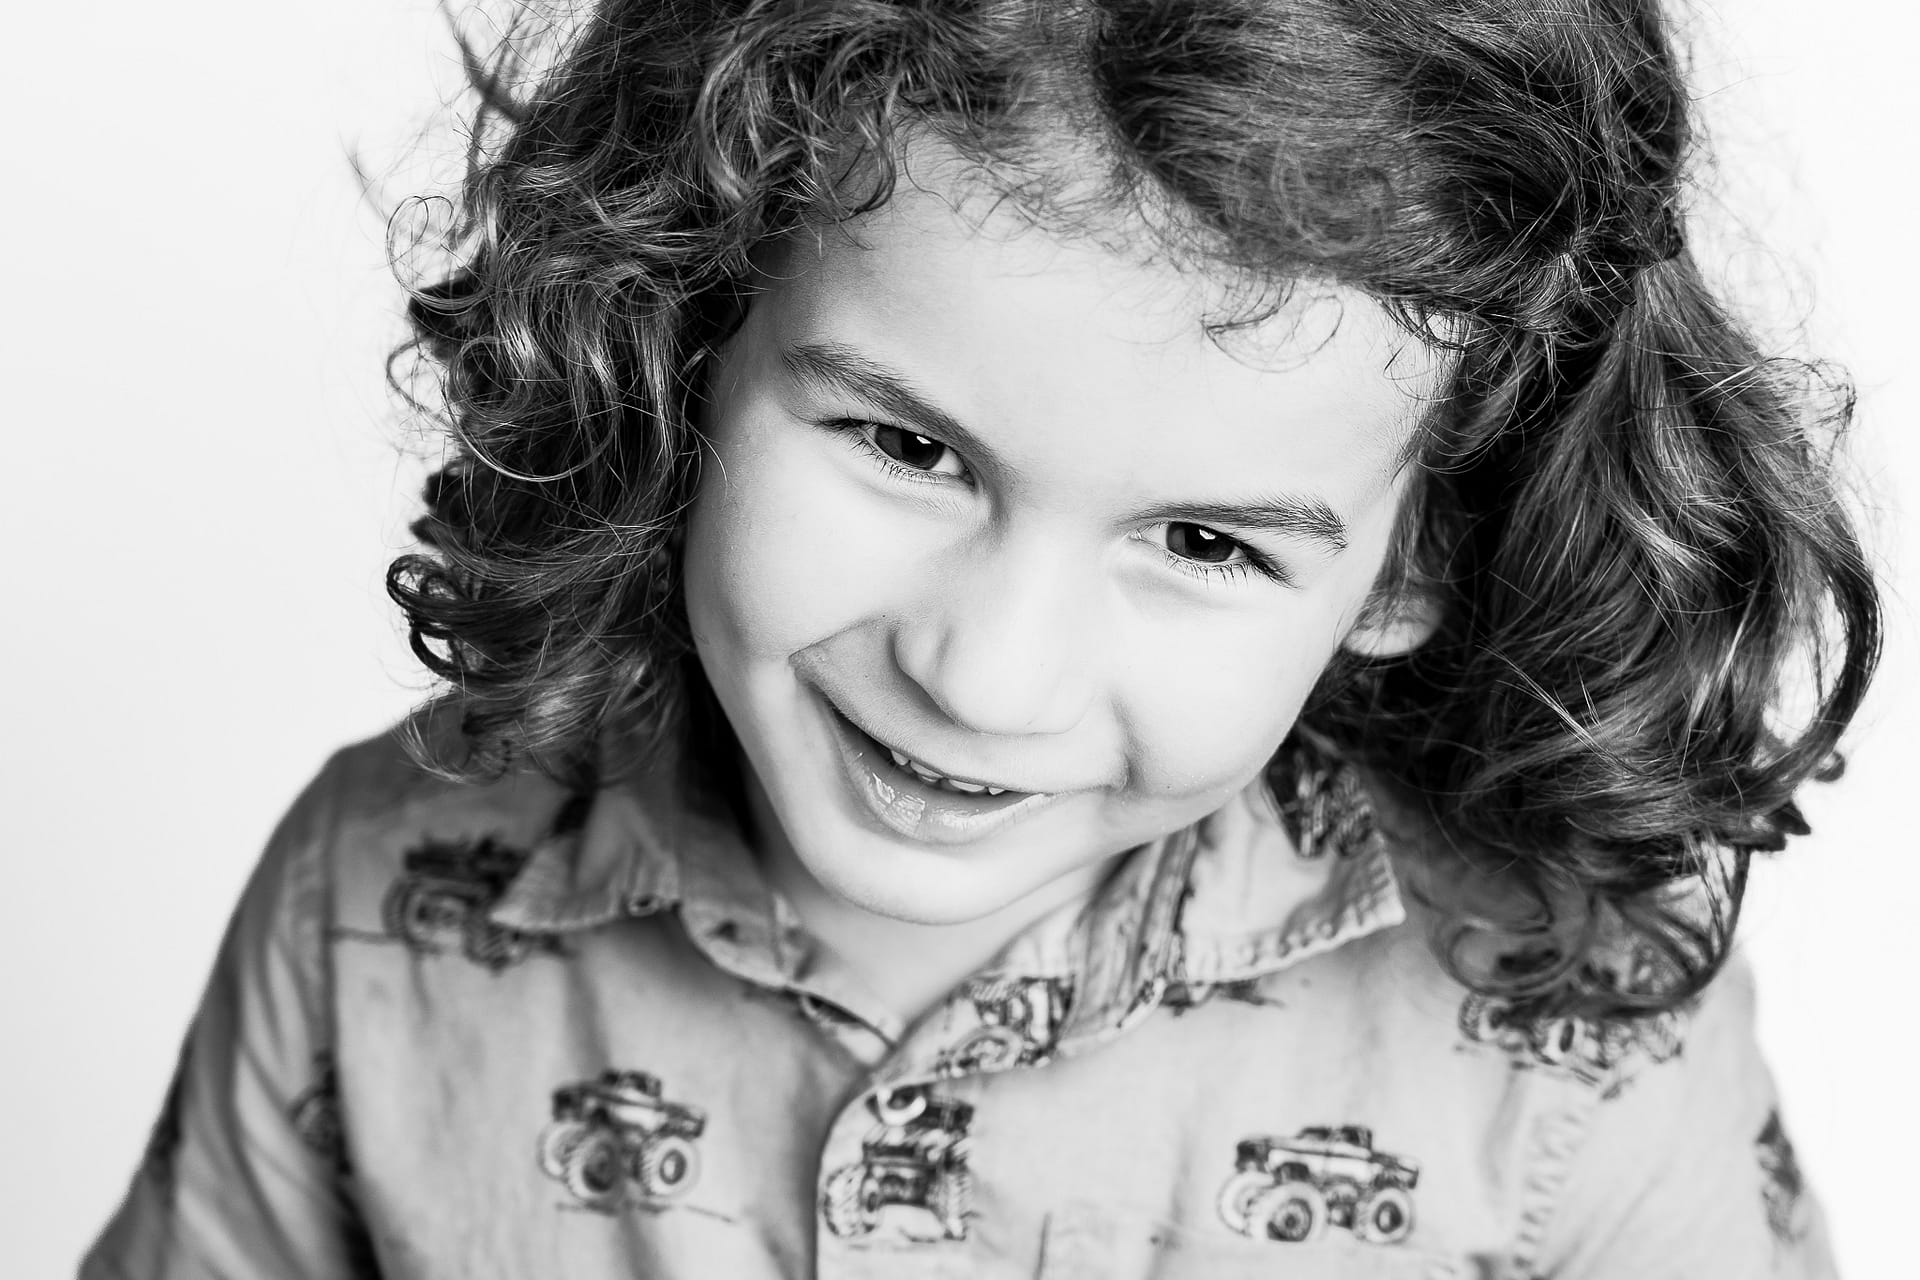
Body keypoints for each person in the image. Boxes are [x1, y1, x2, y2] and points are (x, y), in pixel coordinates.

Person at [81, 0, 1881, 1275]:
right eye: (905, 447)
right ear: (687, 334)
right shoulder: (373, 891)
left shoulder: (1584, 1041)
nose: (984, 675)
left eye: (1205, 544)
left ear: (1422, 553)